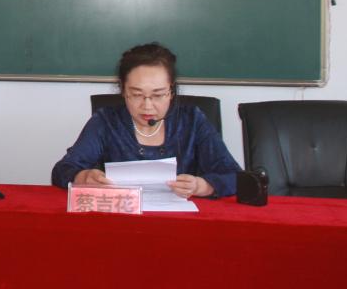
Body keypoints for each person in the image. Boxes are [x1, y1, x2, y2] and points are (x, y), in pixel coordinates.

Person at [52, 42, 240, 198]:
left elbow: (235, 176)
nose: (147, 106)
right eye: (136, 94)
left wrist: (202, 186)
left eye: (158, 95)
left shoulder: (192, 121)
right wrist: (82, 176)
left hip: (180, 222)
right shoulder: (106, 121)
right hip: (122, 220)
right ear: (123, 90)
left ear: (171, 91)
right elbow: (62, 170)